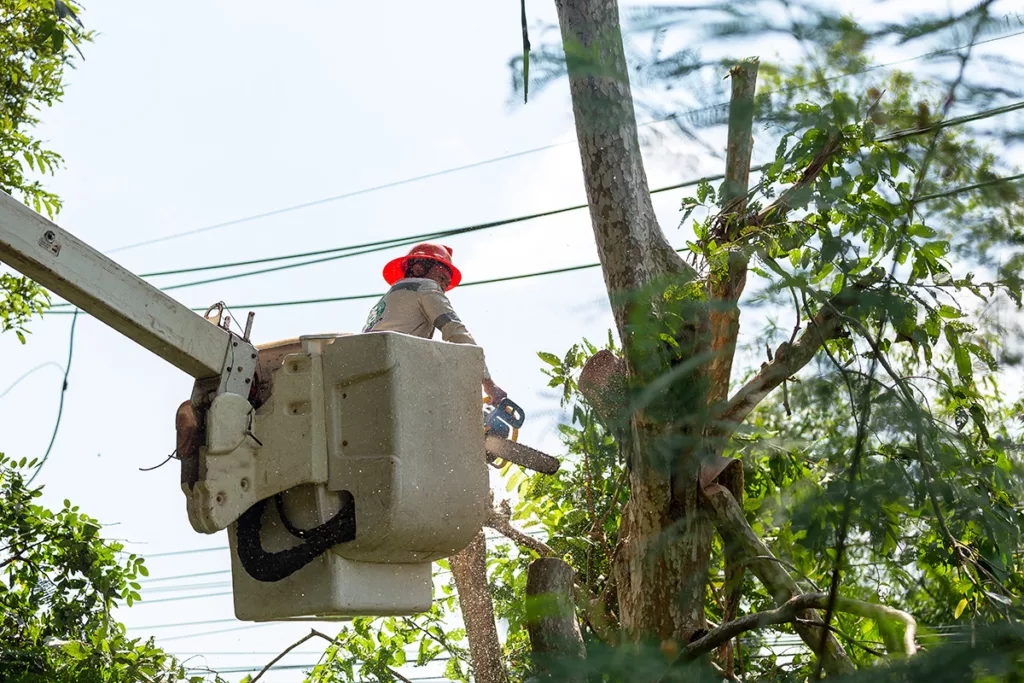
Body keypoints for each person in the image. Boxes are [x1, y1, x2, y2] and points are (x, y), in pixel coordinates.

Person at [363, 242, 507, 404]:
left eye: (446, 284)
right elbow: (456, 333)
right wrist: (489, 384)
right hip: (399, 373)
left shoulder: (387, 299)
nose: (443, 288)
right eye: (441, 279)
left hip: (370, 377)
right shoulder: (426, 287)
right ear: (418, 269)